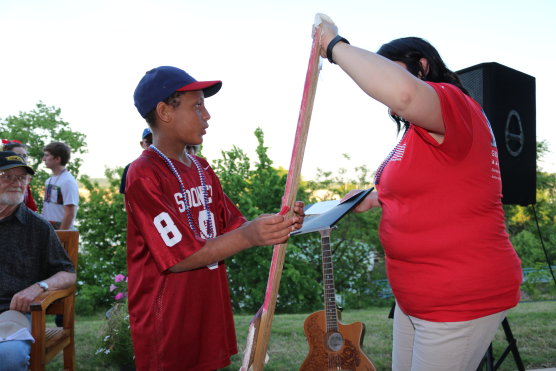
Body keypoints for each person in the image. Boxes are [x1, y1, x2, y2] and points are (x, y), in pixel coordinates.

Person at [315, 15, 522, 371]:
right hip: (416, 300)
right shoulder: (419, 132)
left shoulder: (452, 104)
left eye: (389, 71)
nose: (382, 91)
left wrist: (335, 46)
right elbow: (437, 187)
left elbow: (405, 93)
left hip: (458, 299)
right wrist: (375, 197)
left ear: (421, 66)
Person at [127, 65, 305, 370]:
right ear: (164, 112)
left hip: (206, 311)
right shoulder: (144, 174)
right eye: (197, 105)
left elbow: (234, 226)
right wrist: (249, 235)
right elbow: (178, 257)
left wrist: (276, 222)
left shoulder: (202, 168)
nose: (206, 115)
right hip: (167, 321)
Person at [0, 151, 76, 370]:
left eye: (22, 177)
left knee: (9, 356)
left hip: (11, 313)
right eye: (7, 176)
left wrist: (39, 286)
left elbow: (67, 273)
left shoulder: (38, 227)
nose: (16, 183)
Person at [42, 142, 79, 230]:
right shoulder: (49, 181)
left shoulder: (67, 181)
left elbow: (70, 213)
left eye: (47, 155)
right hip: (49, 231)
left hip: (60, 234)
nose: (43, 159)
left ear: (57, 159)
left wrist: (61, 238)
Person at [2, 141, 37, 211]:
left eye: (24, 156)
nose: (22, 158)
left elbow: (30, 206)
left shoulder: (23, 183)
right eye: (18, 155)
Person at [119, 128, 153, 194]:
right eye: (149, 142)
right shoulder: (129, 168)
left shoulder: (169, 167)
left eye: (155, 141)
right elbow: (126, 197)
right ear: (142, 144)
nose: (152, 145)